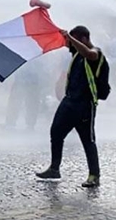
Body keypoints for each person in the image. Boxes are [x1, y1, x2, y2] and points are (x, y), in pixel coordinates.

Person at [36, 26, 104, 188]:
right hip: (69, 102)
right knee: (56, 132)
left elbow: (90, 54)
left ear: (84, 39)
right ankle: (54, 169)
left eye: (73, 41)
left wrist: (70, 38)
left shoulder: (95, 52)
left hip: (85, 104)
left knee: (88, 140)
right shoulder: (75, 56)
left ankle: (94, 175)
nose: (69, 45)